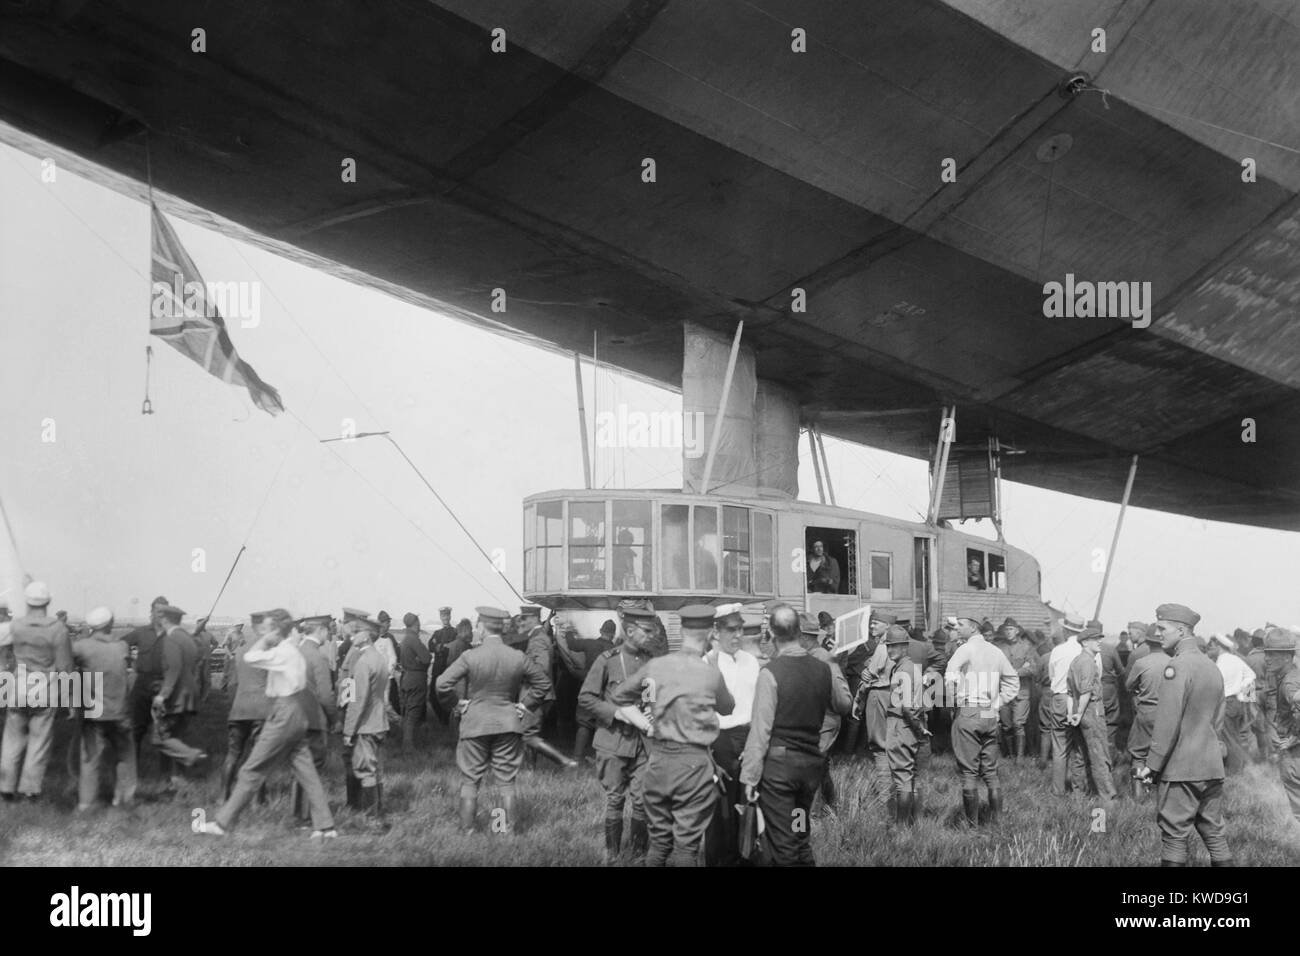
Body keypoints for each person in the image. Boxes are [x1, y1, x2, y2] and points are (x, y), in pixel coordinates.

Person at [198, 609, 337, 839]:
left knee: (250, 770)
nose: (265, 632)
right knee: (308, 773)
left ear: (276, 630)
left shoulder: (282, 652)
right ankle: (326, 826)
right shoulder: (293, 652)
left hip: (283, 713)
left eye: (269, 628)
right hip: (297, 714)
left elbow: (250, 657)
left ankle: (222, 824)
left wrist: (265, 639)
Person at [611, 608, 734, 867]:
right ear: (711, 634)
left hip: (658, 762)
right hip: (694, 765)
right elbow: (727, 707)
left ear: (681, 631)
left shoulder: (656, 666)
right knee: (686, 848)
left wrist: (647, 722)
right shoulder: (710, 672)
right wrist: (712, 663)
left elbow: (620, 696)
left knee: (659, 844)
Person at [740, 603, 846, 865]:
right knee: (800, 833)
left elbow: (761, 731)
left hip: (780, 772)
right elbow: (842, 704)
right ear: (800, 632)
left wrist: (749, 779)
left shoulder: (771, 673)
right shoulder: (823, 669)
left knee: (782, 842)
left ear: (771, 634)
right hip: (809, 768)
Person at [435, 606, 550, 835]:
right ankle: (502, 830)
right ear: (501, 627)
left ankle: (468, 831)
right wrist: (525, 705)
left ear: (481, 627)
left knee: (470, 781)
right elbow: (543, 684)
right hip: (508, 723)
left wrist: (456, 704)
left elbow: (441, 684)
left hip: (475, 722)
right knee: (506, 782)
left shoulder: (470, 655)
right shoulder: (517, 656)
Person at [1133, 604, 1232, 867]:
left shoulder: (1176, 667)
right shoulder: (1212, 666)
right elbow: (1218, 722)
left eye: (1162, 628)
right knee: (1214, 834)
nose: (1158, 632)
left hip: (1181, 770)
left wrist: (1151, 767)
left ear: (1181, 630)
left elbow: (1167, 725)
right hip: (1212, 766)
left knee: (1174, 837)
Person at [578, 603, 659, 863]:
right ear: (630, 630)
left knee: (641, 801)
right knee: (614, 799)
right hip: (613, 740)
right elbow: (586, 698)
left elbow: (651, 696)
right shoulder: (607, 660)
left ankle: (636, 856)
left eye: (653, 630)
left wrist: (652, 711)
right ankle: (612, 855)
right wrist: (616, 712)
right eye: (647, 631)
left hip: (643, 745)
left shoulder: (651, 662)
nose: (652, 635)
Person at [0, 581, 72, 802]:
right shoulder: (58, 629)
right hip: (45, 690)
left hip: (18, 689)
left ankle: (5, 789)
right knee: (39, 743)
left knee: (12, 740)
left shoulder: (15, 625)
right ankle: (30, 791)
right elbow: (64, 668)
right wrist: (69, 700)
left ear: (27, 602)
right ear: (48, 602)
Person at [943, 615, 1018, 825]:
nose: (957, 628)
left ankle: (972, 827)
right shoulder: (996, 651)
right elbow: (1012, 680)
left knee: (969, 773)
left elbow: (950, 675)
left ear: (973, 628)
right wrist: (997, 703)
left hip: (969, 710)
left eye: (961, 625)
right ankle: (997, 823)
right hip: (988, 713)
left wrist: (952, 701)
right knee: (991, 773)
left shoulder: (965, 649)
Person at [703, 603, 760, 866]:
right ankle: (719, 860)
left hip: (747, 738)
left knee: (746, 802)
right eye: (731, 630)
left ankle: (743, 856)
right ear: (716, 631)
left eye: (741, 629)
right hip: (719, 741)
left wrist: (754, 743)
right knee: (720, 806)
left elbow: (759, 705)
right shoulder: (707, 663)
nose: (738, 635)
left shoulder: (751, 662)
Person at [71, 606, 136, 810]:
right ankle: (123, 799)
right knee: (125, 756)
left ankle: (86, 802)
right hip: (119, 710)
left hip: (94, 712)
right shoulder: (122, 646)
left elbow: (65, 663)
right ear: (110, 623)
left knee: (90, 759)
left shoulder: (81, 647)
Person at [799, 614, 851, 814]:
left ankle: (809, 817)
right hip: (812, 720)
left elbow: (843, 700)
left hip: (824, 719)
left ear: (803, 636)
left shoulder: (823, 658)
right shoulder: (805, 656)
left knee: (810, 767)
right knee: (821, 766)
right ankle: (832, 807)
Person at [342, 615, 390, 818]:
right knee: (376, 769)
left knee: (366, 769)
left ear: (365, 636)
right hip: (379, 721)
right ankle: (378, 812)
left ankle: (373, 819)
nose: (351, 636)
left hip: (366, 724)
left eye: (355, 632)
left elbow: (357, 700)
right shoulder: (379, 658)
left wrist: (347, 730)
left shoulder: (363, 662)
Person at [518, 605, 577, 768]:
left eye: (524, 619)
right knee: (528, 733)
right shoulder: (539, 635)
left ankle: (558, 763)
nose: (521, 623)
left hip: (536, 694)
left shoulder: (537, 639)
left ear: (533, 619)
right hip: (540, 693)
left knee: (527, 733)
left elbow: (541, 668)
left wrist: (520, 671)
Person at [153, 605, 207, 781]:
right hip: (190, 693)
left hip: (176, 696)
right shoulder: (187, 638)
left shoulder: (171, 639)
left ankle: (191, 755)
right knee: (177, 738)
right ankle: (178, 782)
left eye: (160, 617)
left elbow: (174, 669)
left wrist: (163, 695)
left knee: (160, 738)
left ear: (165, 619)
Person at [221, 611, 272, 800]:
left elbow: (233, 682)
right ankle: (259, 799)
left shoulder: (241, 650)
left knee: (233, 753)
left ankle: (222, 795)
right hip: (261, 709)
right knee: (260, 754)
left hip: (239, 708)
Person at [882, 624, 929, 825]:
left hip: (902, 725)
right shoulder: (908, 667)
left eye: (895, 646)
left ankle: (901, 828)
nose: (890, 650)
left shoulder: (904, 670)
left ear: (905, 647)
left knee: (902, 780)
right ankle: (915, 823)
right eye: (888, 646)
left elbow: (908, 707)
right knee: (912, 779)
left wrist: (919, 730)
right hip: (910, 725)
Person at [293, 615, 337, 826]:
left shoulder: (297, 653)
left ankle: (297, 812)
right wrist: (334, 719)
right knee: (314, 765)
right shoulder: (318, 657)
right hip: (314, 719)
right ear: (319, 630)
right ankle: (306, 816)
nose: (329, 633)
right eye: (327, 629)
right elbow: (326, 695)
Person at [1065, 626, 1117, 806]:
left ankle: (1079, 796)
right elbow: (1086, 691)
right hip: (1091, 710)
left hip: (1078, 710)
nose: (1099, 641)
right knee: (1099, 755)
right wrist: (1079, 713)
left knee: (1079, 754)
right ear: (1085, 642)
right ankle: (1107, 799)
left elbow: (1070, 693)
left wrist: (1073, 714)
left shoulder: (1076, 661)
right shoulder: (1088, 662)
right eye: (1096, 639)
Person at [556, 618, 616, 761]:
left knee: (584, 723)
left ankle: (576, 757)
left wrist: (570, 631)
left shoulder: (590, 643)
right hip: (608, 690)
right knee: (603, 724)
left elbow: (571, 644)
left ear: (601, 631)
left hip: (590, 688)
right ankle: (600, 758)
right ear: (613, 634)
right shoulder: (616, 650)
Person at [1124, 625, 1170, 799]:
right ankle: (1154, 789)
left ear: (1148, 642)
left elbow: (1129, 686)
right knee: (1160, 753)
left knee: (1138, 754)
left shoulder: (1141, 663)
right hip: (1167, 713)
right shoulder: (1172, 662)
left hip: (1146, 711)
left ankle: (1138, 794)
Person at [1260, 627, 1300, 826]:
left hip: (1294, 755)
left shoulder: (1288, 684)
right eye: (1266, 653)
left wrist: (1295, 738)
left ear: (1287, 657)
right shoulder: (1293, 675)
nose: (1267, 658)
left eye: (1272, 654)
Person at [124, 596, 169, 761]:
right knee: (136, 729)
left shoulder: (173, 634)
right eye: (158, 612)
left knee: (164, 730)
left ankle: (166, 776)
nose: (161, 615)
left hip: (164, 685)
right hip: (142, 684)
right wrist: (131, 661)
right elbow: (121, 645)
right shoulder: (141, 632)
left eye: (165, 612)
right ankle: (133, 770)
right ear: (152, 612)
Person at [1047, 615, 1086, 795]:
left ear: (1066, 630)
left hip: (1060, 698)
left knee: (1060, 746)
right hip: (1081, 701)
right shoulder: (1088, 651)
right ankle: (1079, 791)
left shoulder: (1058, 650)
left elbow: (1052, 675)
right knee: (1080, 746)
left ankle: (1058, 791)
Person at [1206, 634, 1255, 772]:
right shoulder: (1236, 659)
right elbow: (1251, 675)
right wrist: (1245, 698)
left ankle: (1236, 770)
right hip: (1236, 703)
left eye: (1212, 646)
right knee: (1234, 736)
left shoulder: (1221, 663)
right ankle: (1241, 766)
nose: (1211, 648)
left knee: (1228, 738)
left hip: (1225, 703)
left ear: (1219, 647)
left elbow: (1214, 686)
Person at [994, 618, 1033, 762]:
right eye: (1006, 629)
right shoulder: (999, 648)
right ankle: (1009, 754)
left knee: (1018, 724)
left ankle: (1020, 757)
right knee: (1006, 726)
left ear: (1017, 631)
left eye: (1011, 629)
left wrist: (1016, 672)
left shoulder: (1026, 647)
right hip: (1004, 692)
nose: (1008, 632)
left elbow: (1032, 668)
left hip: (1021, 693)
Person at [397, 612, 432, 752]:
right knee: (413, 713)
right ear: (415, 623)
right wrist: (421, 662)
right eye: (418, 622)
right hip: (416, 679)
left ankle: (406, 742)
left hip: (406, 678)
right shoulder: (414, 639)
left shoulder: (405, 639)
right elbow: (427, 658)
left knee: (407, 713)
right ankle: (409, 747)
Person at [427, 606, 457, 725]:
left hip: (449, 668)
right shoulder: (437, 633)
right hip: (438, 670)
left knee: (448, 696)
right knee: (433, 697)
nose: (445, 618)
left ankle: (447, 720)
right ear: (440, 617)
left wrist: (441, 647)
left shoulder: (455, 632)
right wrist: (436, 647)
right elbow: (430, 645)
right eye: (443, 616)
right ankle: (442, 719)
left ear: (450, 616)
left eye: (447, 615)